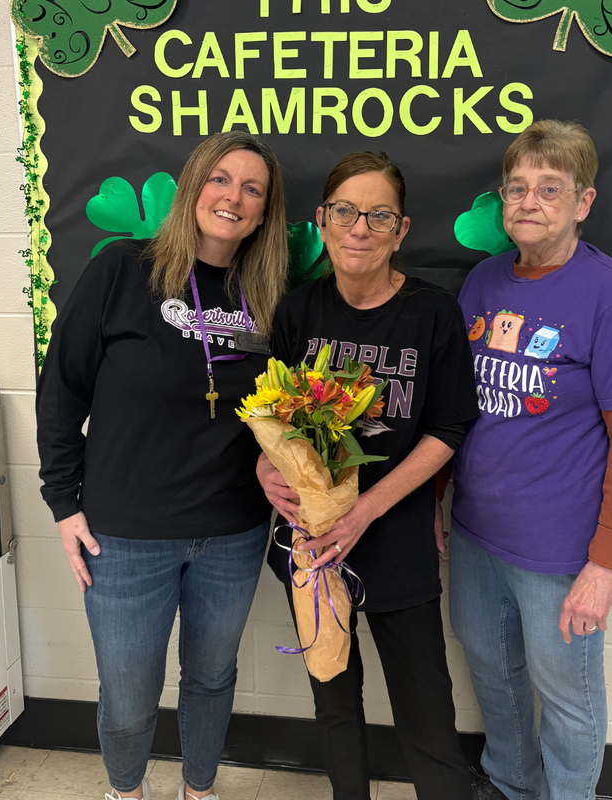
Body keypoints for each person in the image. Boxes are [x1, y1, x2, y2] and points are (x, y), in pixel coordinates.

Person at [36, 131, 288, 800]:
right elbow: (61, 389)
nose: (233, 196)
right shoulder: (122, 271)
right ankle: (127, 792)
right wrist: (64, 505)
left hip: (231, 533)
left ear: (264, 213)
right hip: (123, 537)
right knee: (128, 695)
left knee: (211, 677)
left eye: (252, 189)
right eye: (220, 179)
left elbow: (273, 412)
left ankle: (199, 790)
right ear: (193, 187)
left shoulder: (262, 296)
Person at [257, 151, 481, 800]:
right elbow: (270, 414)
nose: (361, 228)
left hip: (398, 543)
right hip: (312, 547)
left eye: (379, 215)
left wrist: (368, 508)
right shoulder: (297, 313)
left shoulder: (432, 314)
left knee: (429, 716)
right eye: (346, 212)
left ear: (401, 230)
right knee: (334, 703)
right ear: (322, 221)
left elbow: (448, 429)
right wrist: (266, 467)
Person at [449, 120, 612, 800]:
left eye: (549, 188)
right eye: (517, 188)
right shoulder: (481, 283)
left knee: (567, 699)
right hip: (475, 536)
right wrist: (436, 504)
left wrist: (606, 562)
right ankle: (510, 785)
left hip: (561, 551)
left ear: (583, 202)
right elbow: (453, 410)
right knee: (494, 676)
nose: (529, 202)